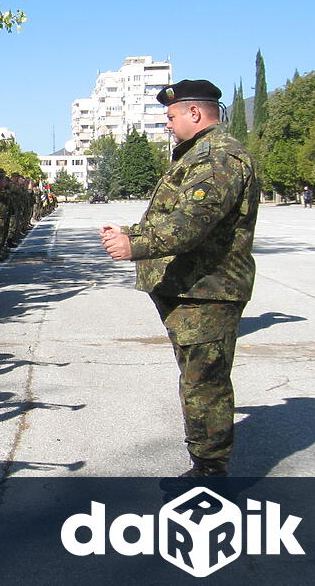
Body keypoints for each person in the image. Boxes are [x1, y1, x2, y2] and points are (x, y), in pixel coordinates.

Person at [100, 79, 260, 478]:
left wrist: (134, 247)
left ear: (195, 113)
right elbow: (175, 215)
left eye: (171, 117)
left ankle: (209, 472)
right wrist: (130, 233)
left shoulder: (219, 159)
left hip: (208, 290)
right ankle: (206, 460)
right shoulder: (198, 156)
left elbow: (191, 224)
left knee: (204, 383)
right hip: (193, 289)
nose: (168, 124)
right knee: (196, 378)